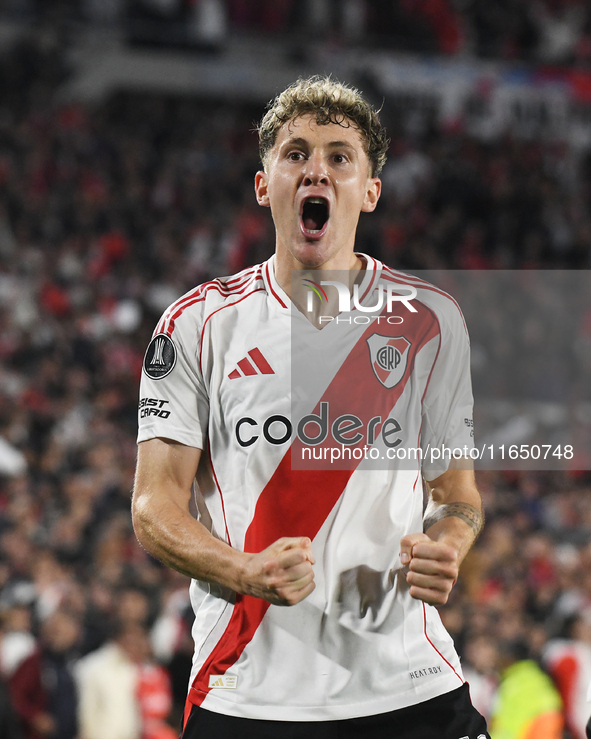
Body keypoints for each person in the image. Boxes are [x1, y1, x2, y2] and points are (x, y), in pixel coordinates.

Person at [132, 75, 488, 738]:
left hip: (407, 682)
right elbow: (154, 506)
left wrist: (449, 542)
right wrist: (243, 569)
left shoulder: (431, 321)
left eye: (338, 155)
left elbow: (457, 494)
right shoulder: (196, 324)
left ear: (369, 191)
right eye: (295, 153)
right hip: (247, 692)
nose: (314, 168)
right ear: (265, 183)